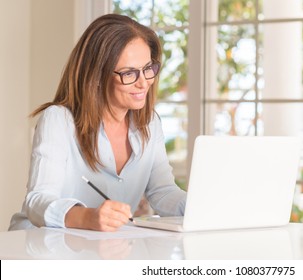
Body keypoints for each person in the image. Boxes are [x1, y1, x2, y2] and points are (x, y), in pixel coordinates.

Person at [9, 14, 186, 232]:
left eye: (148, 68)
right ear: (97, 76)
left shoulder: (150, 124)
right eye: (129, 73)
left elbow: (163, 192)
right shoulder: (59, 120)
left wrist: (201, 209)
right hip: (39, 244)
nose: (144, 82)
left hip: (100, 247)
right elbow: (37, 200)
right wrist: (86, 217)